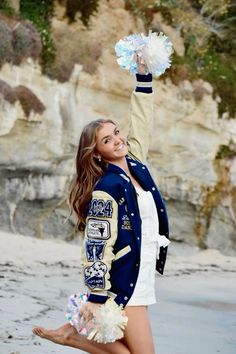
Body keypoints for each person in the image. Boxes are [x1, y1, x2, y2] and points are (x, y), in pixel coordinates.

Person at [33, 65, 170, 354]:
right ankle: (73, 337)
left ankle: (73, 336)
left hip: (142, 274)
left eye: (117, 133)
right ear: (96, 152)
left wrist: (144, 78)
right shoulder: (106, 188)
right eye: (107, 140)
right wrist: (96, 294)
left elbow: (142, 122)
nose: (118, 140)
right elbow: (96, 242)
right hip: (124, 282)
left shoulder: (135, 164)